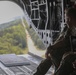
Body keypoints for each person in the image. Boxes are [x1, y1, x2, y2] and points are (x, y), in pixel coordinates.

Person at [34, 7, 76, 75]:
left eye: (66, 18)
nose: (66, 21)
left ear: (69, 19)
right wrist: (51, 48)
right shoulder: (70, 28)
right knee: (54, 53)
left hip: (72, 55)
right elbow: (64, 41)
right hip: (71, 52)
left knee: (67, 58)